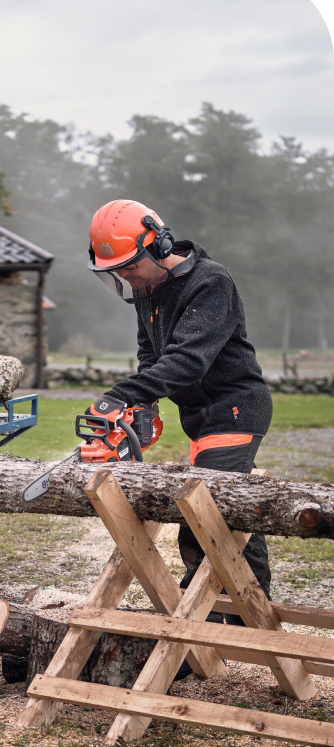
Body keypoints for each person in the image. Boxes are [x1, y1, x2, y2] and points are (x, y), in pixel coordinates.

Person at [86, 198, 273, 649]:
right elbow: (152, 357)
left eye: (130, 266)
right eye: (117, 270)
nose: (126, 276)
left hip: (233, 407)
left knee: (204, 515)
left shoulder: (211, 283)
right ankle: (249, 622)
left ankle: (201, 631)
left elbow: (187, 362)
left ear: (159, 243)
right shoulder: (147, 292)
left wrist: (122, 396)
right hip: (199, 417)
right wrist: (139, 410)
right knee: (228, 508)